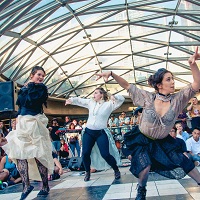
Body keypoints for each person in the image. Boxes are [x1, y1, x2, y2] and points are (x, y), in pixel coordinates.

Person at [96, 47, 200, 200]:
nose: (172, 82)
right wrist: (111, 73)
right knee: (145, 167)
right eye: (168, 79)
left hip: (163, 142)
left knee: (184, 161)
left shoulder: (178, 99)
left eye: (173, 79)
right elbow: (127, 86)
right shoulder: (147, 97)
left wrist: (193, 64)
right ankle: (141, 189)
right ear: (159, 84)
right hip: (143, 139)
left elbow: (197, 83)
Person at [1, 66, 54, 200]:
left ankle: (45, 186)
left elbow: (34, 101)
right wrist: (17, 120)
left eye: (43, 75)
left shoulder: (41, 88)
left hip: (34, 123)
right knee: (19, 154)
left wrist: (30, 86)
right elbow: (22, 105)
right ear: (32, 75)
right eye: (39, 75)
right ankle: (26, 185)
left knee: (38, 154)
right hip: (22, 122)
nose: (41, 77)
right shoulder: (24, 89)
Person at [65, 87, 125, 181]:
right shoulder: (91, 102)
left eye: (96, 93)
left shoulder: (109, 105)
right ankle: (87, 172)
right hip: (89, 132)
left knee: (105, 154)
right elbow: (80, 101)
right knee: (85, 153)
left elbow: (122, 99)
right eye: (94, 93)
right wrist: (71, 100)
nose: (94, 95)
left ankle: (116, 169)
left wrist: (113, 96)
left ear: (102, 94)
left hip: (101, 133)